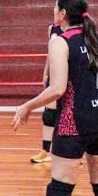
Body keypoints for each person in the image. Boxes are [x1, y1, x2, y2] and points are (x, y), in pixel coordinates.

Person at [12, 0, 98, 196]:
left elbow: (57, 89)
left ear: (63, 14)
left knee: (59, 190)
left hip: (74, 122)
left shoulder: (60, 41)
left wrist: (27, 106)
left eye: (55, 8)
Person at [31, 22, 64, 163]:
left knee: (68, 111)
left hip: (70, 72)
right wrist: (46, 72)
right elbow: (51, 53)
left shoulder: (76, 27)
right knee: (49, 114)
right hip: (54, 73)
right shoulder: (52, 28)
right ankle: (45, 151)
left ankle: (71, 152)